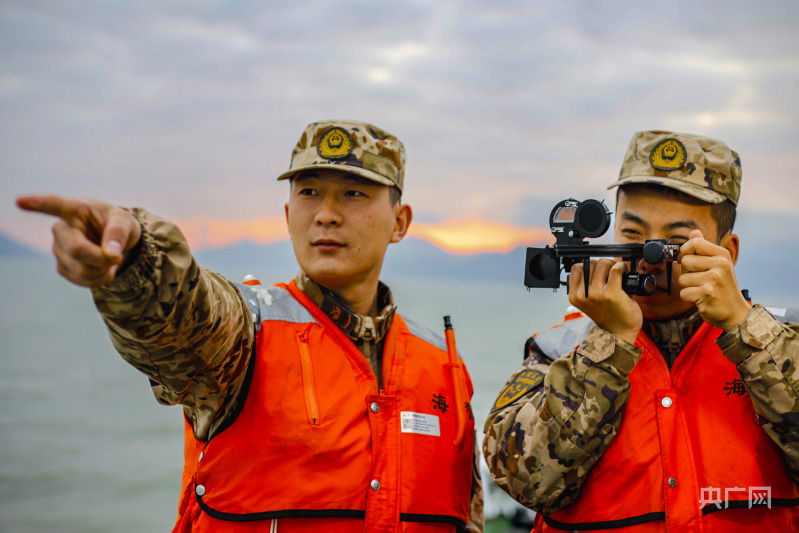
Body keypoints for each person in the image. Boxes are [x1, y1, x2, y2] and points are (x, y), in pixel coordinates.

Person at [18, 119, 484, 533]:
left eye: (354, 192)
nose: (326, 212)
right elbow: (186, 312)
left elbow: (468, 515)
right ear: (287, 217)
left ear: (400, 222)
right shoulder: (248, 331)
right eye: (308, 192)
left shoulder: (442, 365)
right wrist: (137, 257)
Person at [483, 131, 799, 532]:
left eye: (677, 241)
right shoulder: (559, 348)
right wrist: (609, 344)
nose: (648, 258)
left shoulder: (778, 345)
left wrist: (745, 328)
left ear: (728, 252)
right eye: (632, 235)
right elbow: (523, 481)